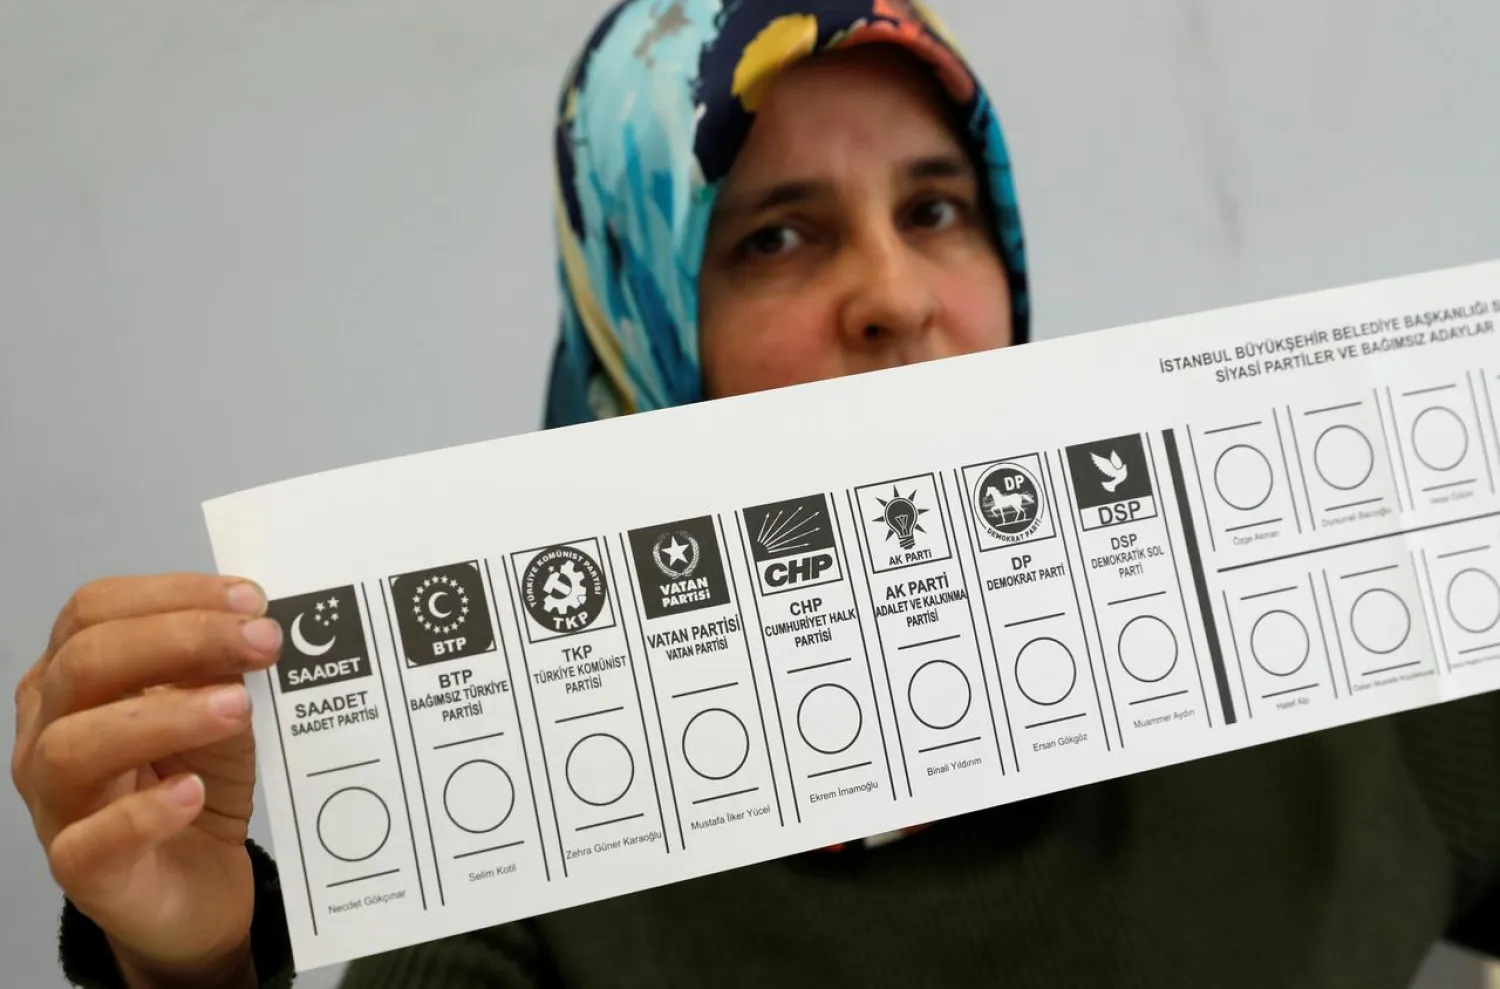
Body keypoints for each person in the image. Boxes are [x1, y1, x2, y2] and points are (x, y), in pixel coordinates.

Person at [11, 1, 1500, 987]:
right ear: (645, 327)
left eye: (936, 208)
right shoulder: (514, 855)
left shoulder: (1322, 666)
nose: (899, 297)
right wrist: (195, 974)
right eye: (778, 238)